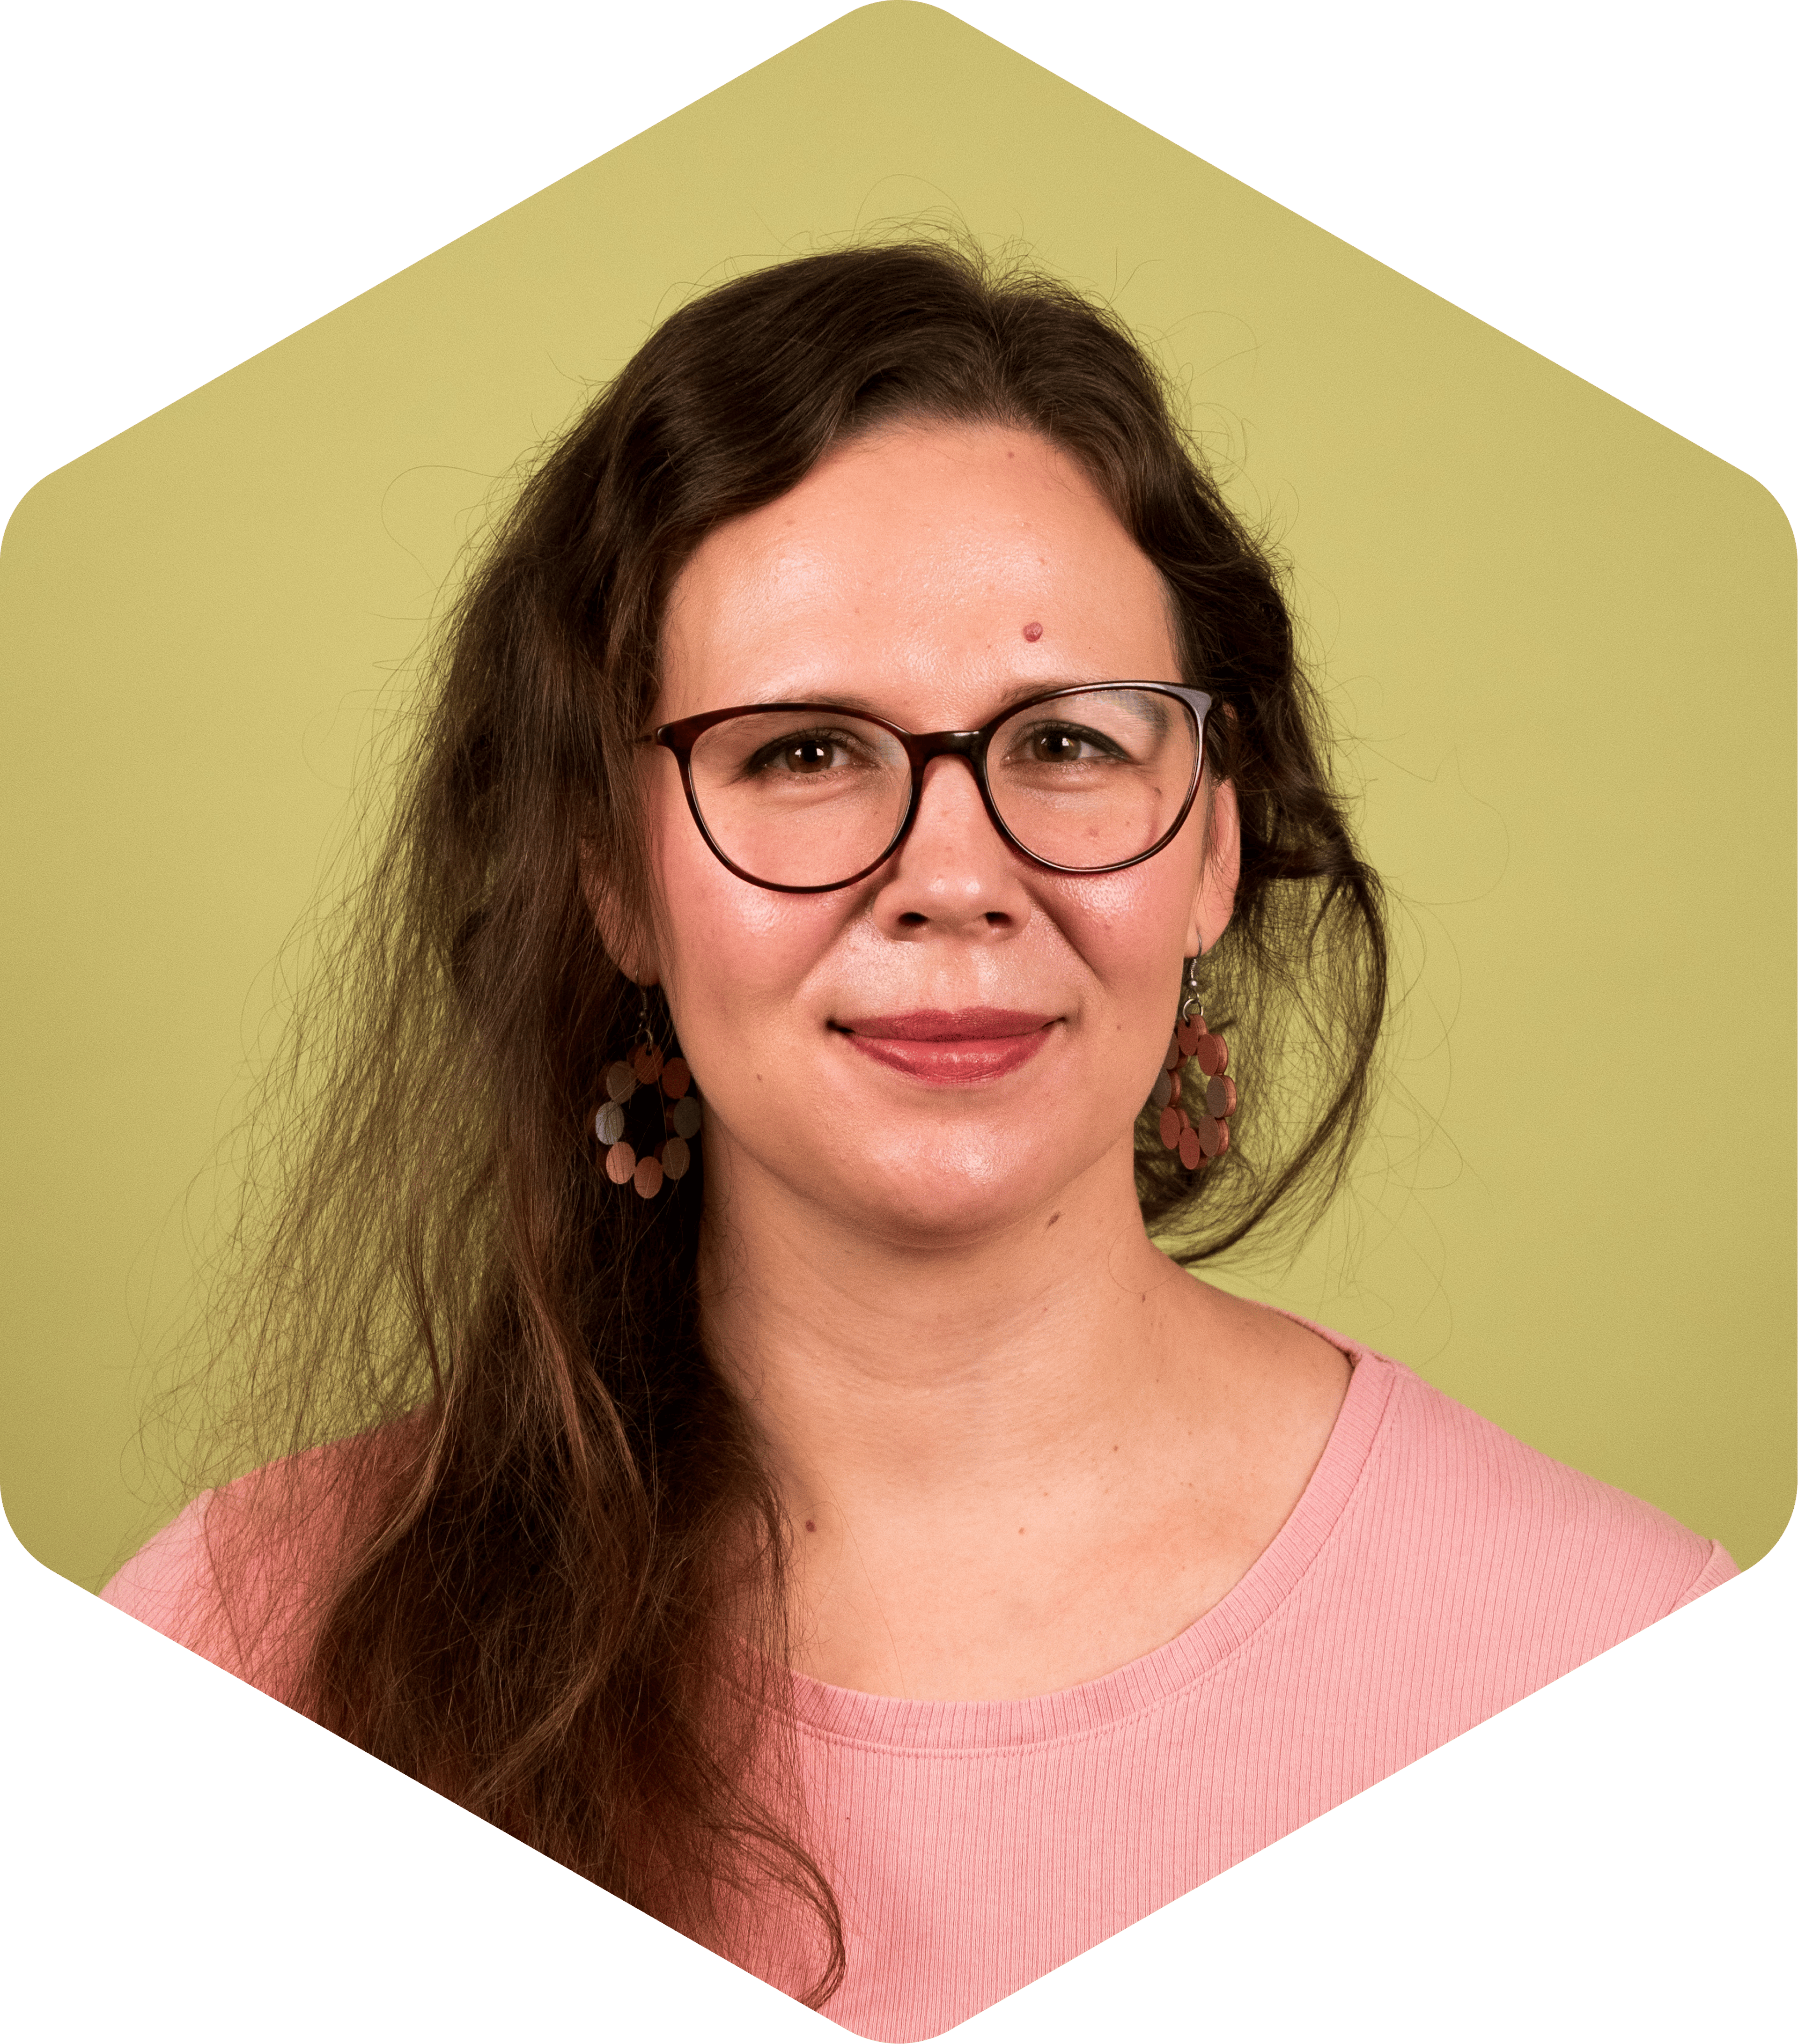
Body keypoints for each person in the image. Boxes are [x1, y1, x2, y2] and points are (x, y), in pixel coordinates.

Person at [102, 241, 1736, 2042]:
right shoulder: (245, 1640)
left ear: (1211, 850)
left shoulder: (1621, 1656)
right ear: (611, 883)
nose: (954, 878)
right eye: (804, 752)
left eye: (1066, 742)